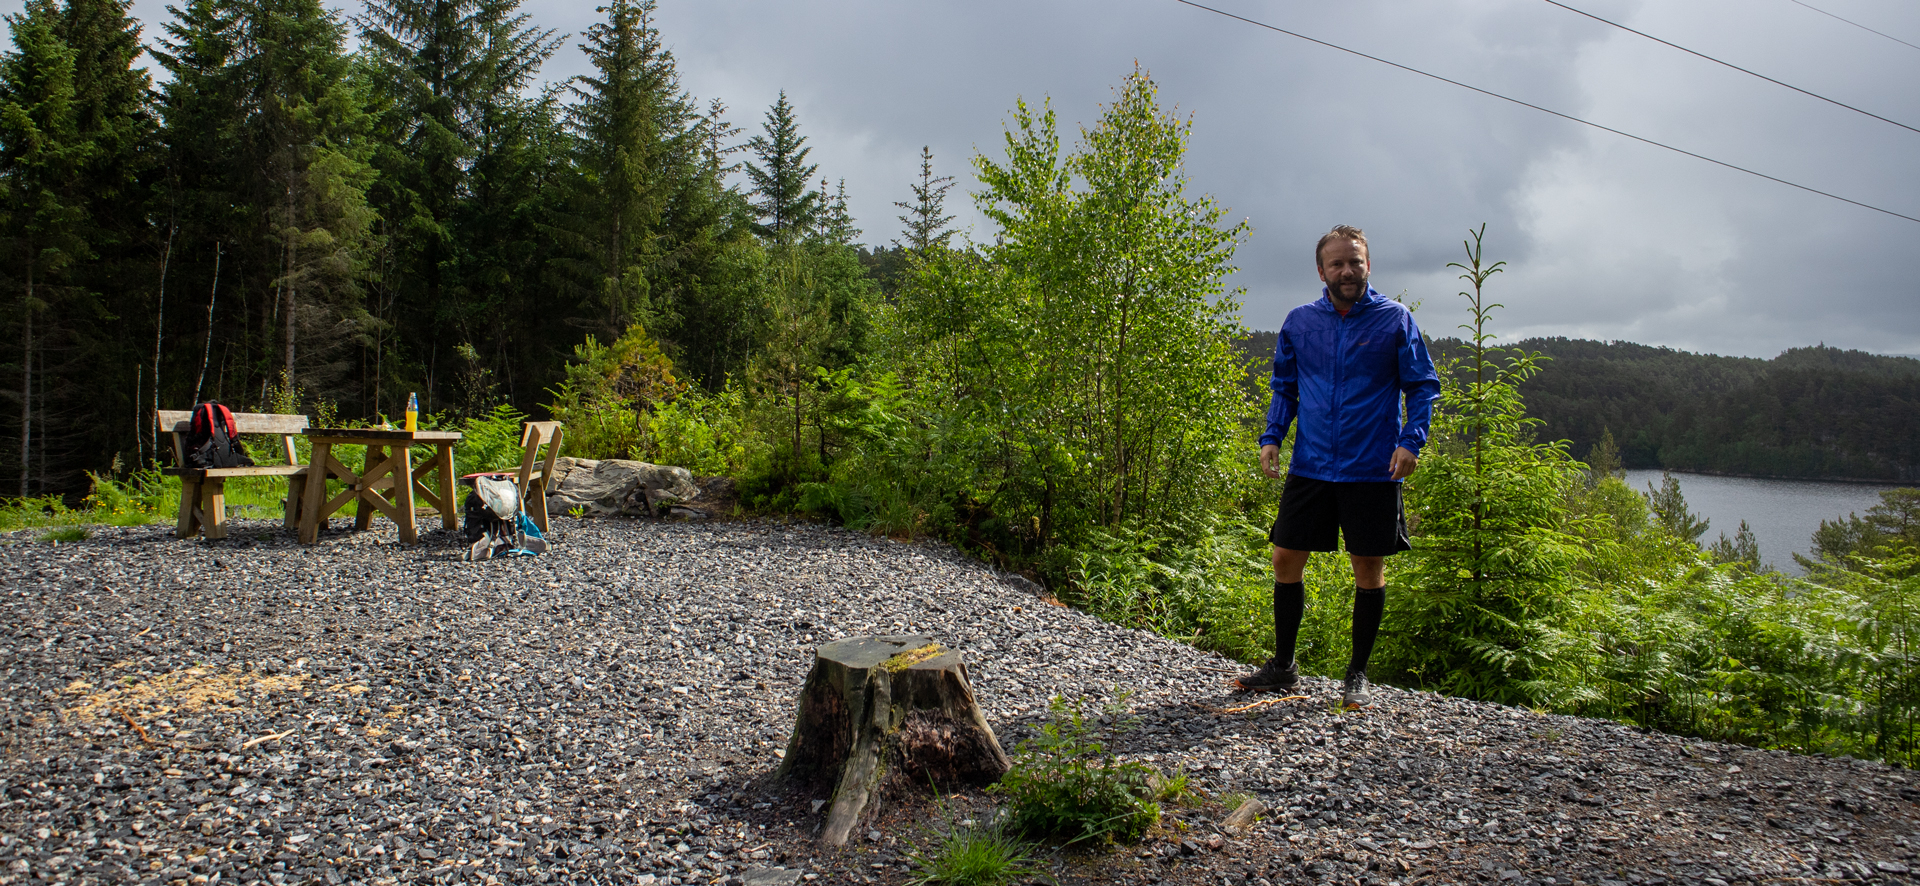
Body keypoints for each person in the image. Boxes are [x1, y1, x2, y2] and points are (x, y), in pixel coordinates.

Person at [1234, 225, 1440, 708]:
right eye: (1337, 263)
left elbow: (1422, 386)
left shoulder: (1395, 320)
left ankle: (1357, 674)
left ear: (1368, 264)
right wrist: (1272, 437)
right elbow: (1285, 386)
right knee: (1285, 557)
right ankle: (1284, 668)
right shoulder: (1301, 322)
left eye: (1355, 261)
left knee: (1368, 567)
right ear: (1321, 269)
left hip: (1373, 467)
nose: (1347, 271)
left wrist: (1412, 442)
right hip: (1312, 465)